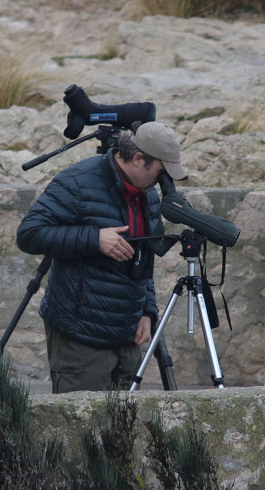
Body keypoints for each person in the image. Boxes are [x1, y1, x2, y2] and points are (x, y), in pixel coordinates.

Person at [16, 121, 188, 393]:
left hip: (127, 338)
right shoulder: (77, 182)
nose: (162, 182)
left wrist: (148, 312)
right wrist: (94, 238)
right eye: (160, 173)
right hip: (80, 339)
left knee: (123, 431)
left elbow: (144, 259)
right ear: (138, 159)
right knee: (80, 432)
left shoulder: (149, 196)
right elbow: (29, 234)